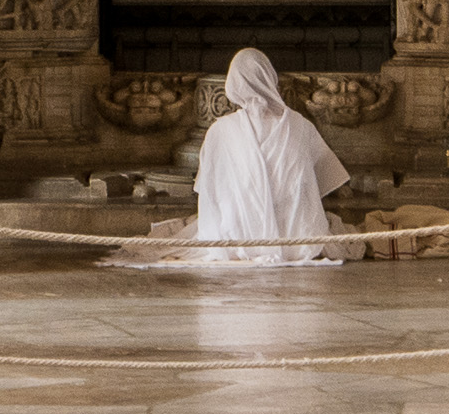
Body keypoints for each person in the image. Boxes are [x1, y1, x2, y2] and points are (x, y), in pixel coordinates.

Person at [139, 50, 352, 266]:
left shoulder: (220, 130)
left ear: (233, 83)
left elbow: (207, 189)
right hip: (296, 238)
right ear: (271, 78)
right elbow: (325, 177)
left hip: (236, 234)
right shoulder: (301, 125)